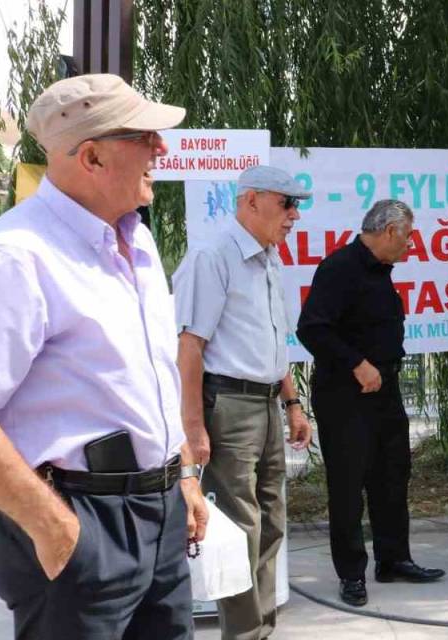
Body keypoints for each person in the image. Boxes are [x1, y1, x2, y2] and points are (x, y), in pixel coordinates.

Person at [0, 74, 207, 639]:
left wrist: (182, 476)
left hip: (159, 516)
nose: (162, 148)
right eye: (146, 137)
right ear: (92, 157)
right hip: (80, 518)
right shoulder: (14, 258)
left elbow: (150, 378)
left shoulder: (138, 241)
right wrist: (56, 529)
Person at [173, 165, 314, 638]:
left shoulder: (271, 258)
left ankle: (262, 628)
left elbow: (274, 344)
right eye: (287, 203)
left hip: (269, 403)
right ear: (251, 200)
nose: (295, 214)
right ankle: (244, 634)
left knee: (272, 524)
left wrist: (293, 403)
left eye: (299, 205)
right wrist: (193, 430)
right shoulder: (213, 257)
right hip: (229, 404)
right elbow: (189, 346)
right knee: (240, 529)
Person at [296, 199, 444, 608]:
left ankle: (394, 559)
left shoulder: (381, 273)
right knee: (347, 486)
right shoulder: (339, 268)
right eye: (409, 235)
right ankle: (351, 573)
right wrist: (356, 364)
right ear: (390, 230)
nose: (412, 244)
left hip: (386, 390)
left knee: (392, 475)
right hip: (346, 395)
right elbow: (312, 329)